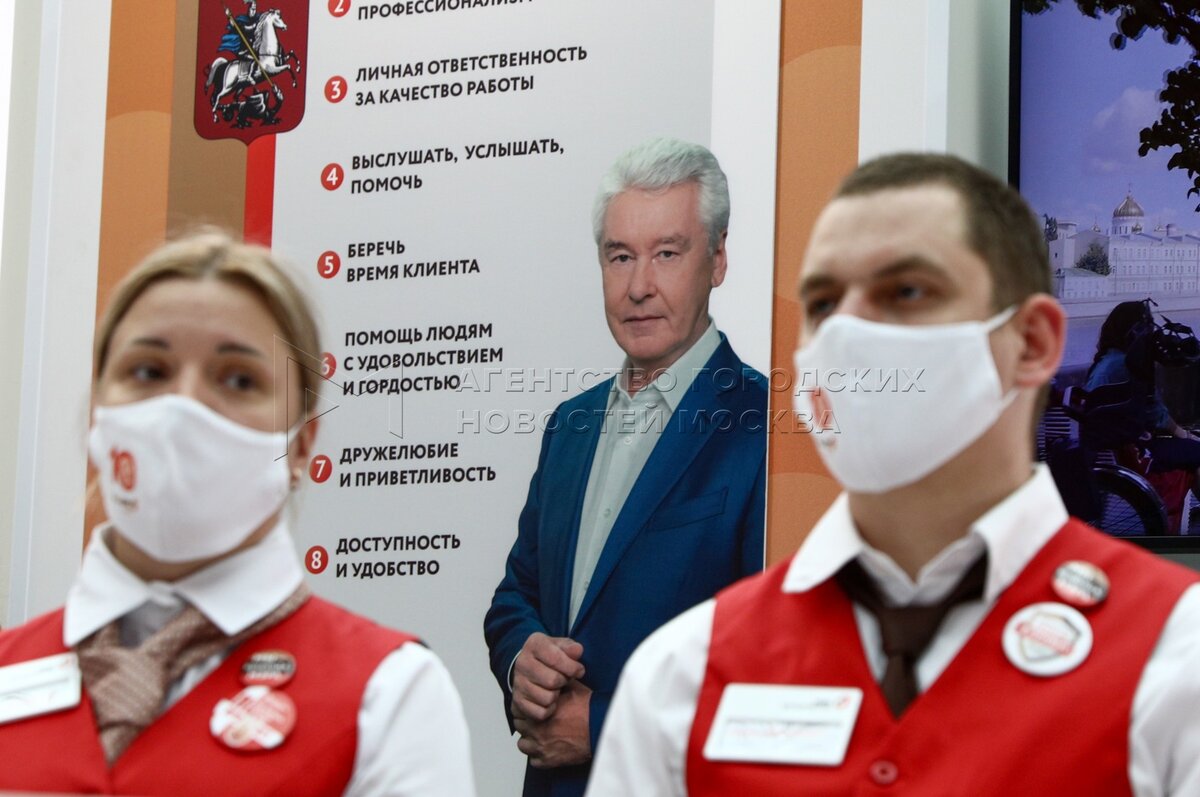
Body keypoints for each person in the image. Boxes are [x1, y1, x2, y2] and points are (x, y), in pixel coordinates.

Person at [586, 153, 1200, 796]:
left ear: (1032, 344)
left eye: (906, 293)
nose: (850, 335)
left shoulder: (1171, 659)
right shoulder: (682, 677)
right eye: (824, 302)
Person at [0, 231, 475, 796]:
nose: (183, 405)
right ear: (97, 417)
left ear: (300, 447)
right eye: (148, 371)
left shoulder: (389, 695)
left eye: (238, 379)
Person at [484, 138, 767, 797]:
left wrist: (605, 727)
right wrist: (521, 658)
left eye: (667, 253)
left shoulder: (769, 430)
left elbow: (773, 672)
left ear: (718, 259)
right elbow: (517, 593)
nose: (639, 286)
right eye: (621, 256)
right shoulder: (570, 425)